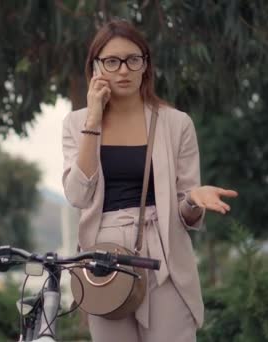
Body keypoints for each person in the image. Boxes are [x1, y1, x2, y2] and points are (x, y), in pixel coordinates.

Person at [61, 20, 238, 342]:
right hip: (103, 258)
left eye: (133, 59)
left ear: (146, 65)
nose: (123, 70)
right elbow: (77, 195)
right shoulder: (76, 123)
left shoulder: (176, 123)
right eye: (111, 61)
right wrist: (93, 120)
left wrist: (194, 199)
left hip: (163, 253)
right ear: (96, 67)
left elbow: (186, 215)